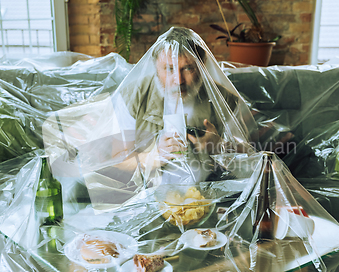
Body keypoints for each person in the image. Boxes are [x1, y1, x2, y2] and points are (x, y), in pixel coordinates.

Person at [110, 27, 256, 184]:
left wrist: (219, 146)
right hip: (150, 196)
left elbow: (250, 160)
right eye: (169, 68)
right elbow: (116, 160)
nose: (178, 80)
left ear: (202, 65)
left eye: (188, 68)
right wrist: (155, 156)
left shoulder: (225, 100)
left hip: (208, 195)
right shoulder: (133, 96)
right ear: (155, 66)